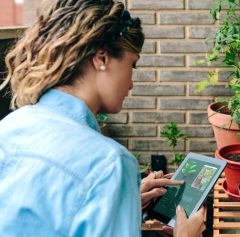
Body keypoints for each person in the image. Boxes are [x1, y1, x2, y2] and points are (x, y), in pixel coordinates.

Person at [0, 0, 205, 236]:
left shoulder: (9, 127)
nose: (131, 83)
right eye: (132, 65)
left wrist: (119, 204)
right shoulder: (110, 164)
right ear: (102, 58)